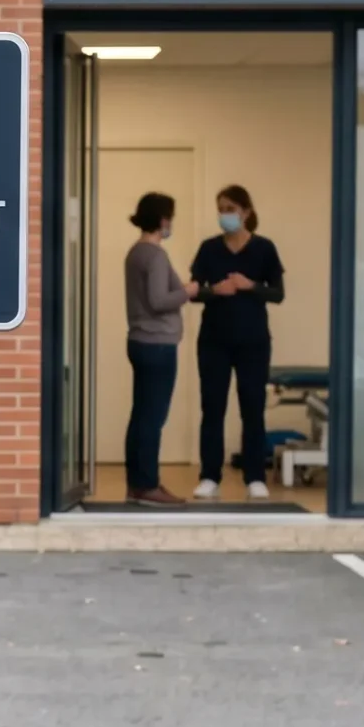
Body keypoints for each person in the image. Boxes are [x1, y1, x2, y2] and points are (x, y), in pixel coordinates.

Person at [186, 184, 286, 501]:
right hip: (214, 341)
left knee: (252, 409)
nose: (224, 215)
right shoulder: (208, 249)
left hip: (253, 342)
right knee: (212, 408)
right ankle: (209, 476)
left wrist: (250, 285)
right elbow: (193, 292)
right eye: (221, 209)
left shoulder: (264, 249)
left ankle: (254, 477)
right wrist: (214, 291)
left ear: (245, 211)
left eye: (230, 209)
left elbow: (278, 294)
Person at [123, 191, 199, 506]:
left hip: (140, 341)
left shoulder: (135, 253)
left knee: (141, 415)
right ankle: (147, 485)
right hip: (157, 346)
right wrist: (188, 291)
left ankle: (138, 483)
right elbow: (158, 301)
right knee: (153, 417)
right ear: (162, 219)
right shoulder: (154, 255)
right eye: (170, 217)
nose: (171, 223)